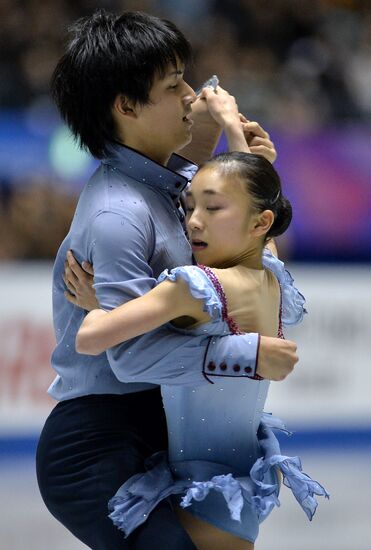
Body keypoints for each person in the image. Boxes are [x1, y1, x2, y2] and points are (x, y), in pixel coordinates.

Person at [36, 10, 298, 550]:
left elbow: (253, 260)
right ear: (126, 106)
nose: (190, 94)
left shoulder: (177, 181)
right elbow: (127, 356)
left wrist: (248, 165)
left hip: (163, 421)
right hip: (97, 441)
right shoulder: (119, 215)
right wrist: (242, 355)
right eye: (173, 83)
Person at [75, 151, 328, 550]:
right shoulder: (271, 275)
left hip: (203, 491)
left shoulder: (199, 286)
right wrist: (233, 129)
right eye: (190, 206)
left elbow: (90, 340)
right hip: (244, 482)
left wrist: (97, 306)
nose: (193, 220)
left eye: (212, 207)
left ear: (261, 221)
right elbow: (261, 207)